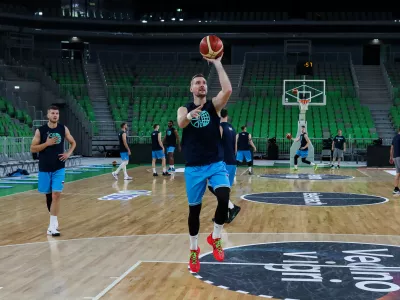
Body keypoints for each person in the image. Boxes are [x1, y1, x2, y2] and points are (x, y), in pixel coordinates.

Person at [177, 54, 232, 273]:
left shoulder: (213, 107)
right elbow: (181, 122)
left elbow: (226, 90)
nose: (202, 85)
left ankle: (215, 236)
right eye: (197, 83)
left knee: (224, 197)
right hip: (194, 168)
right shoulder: (184, 108)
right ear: (191, 88)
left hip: (215, 163)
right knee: (194, 212)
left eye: (204, 83)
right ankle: (193, 250)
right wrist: (190, 115)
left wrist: (217, 63)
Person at [30, 105, 76, 236]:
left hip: (59, 167)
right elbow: (33, 148)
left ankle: (52, 226)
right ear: (48, 115)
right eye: (52, 113)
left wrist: (68, 153)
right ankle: (53, 220)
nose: (55, 115)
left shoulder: (63, 129)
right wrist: (46, 144)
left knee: (56, 195)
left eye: (57, 113)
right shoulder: (41, 131)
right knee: (48, 196)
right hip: (44, 168)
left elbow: (73, 143)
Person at [209, 108, 241, 224]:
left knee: (212, 186)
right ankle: (223, 215)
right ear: (227, 115)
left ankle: (232, 207)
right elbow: (236, 148)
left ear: (219, 115)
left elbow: (215, 144)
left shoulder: (220, 127)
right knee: (224, 190)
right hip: (232, 160)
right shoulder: (233, 129)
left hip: (223, 162)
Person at [390, 127, 400, 194]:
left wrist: (391, 157)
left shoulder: (394, 137)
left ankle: (396, 189)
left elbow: (391, 148)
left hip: (395, 157)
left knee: (398, 173)